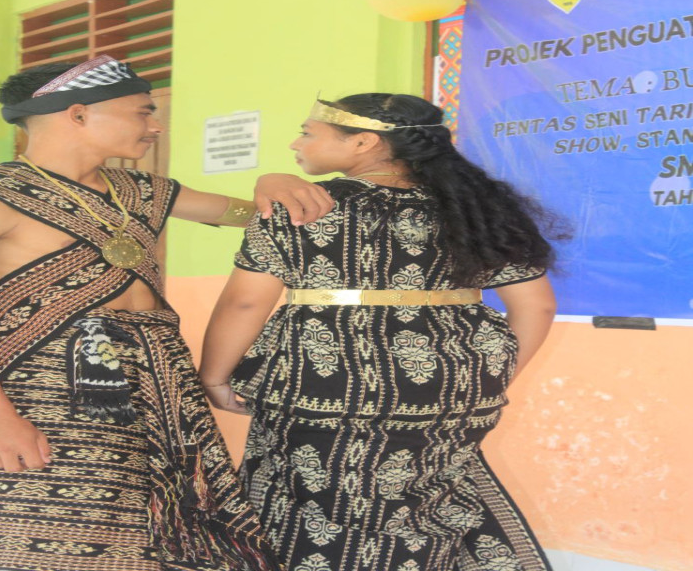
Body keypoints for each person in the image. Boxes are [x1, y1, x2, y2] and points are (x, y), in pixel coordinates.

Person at [0, 55, 334, 571]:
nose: (155, 126)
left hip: (160, 382)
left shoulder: (143, 190)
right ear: (77, 113)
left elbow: (259, 216)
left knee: (164, 533)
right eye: (142, 111)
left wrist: (271, 180)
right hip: (50, 389)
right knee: (59, 536)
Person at [199, 93, 561, 571]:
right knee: (426, 501)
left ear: (364, 142)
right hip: (454, 386)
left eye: (308, 133)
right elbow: (537, 305)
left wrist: (214, 377)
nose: (295, 143)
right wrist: (489, 382)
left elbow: (245, 303)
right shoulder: (476, 210)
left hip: (324, 385)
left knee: (312, 507)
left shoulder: (298, 207)